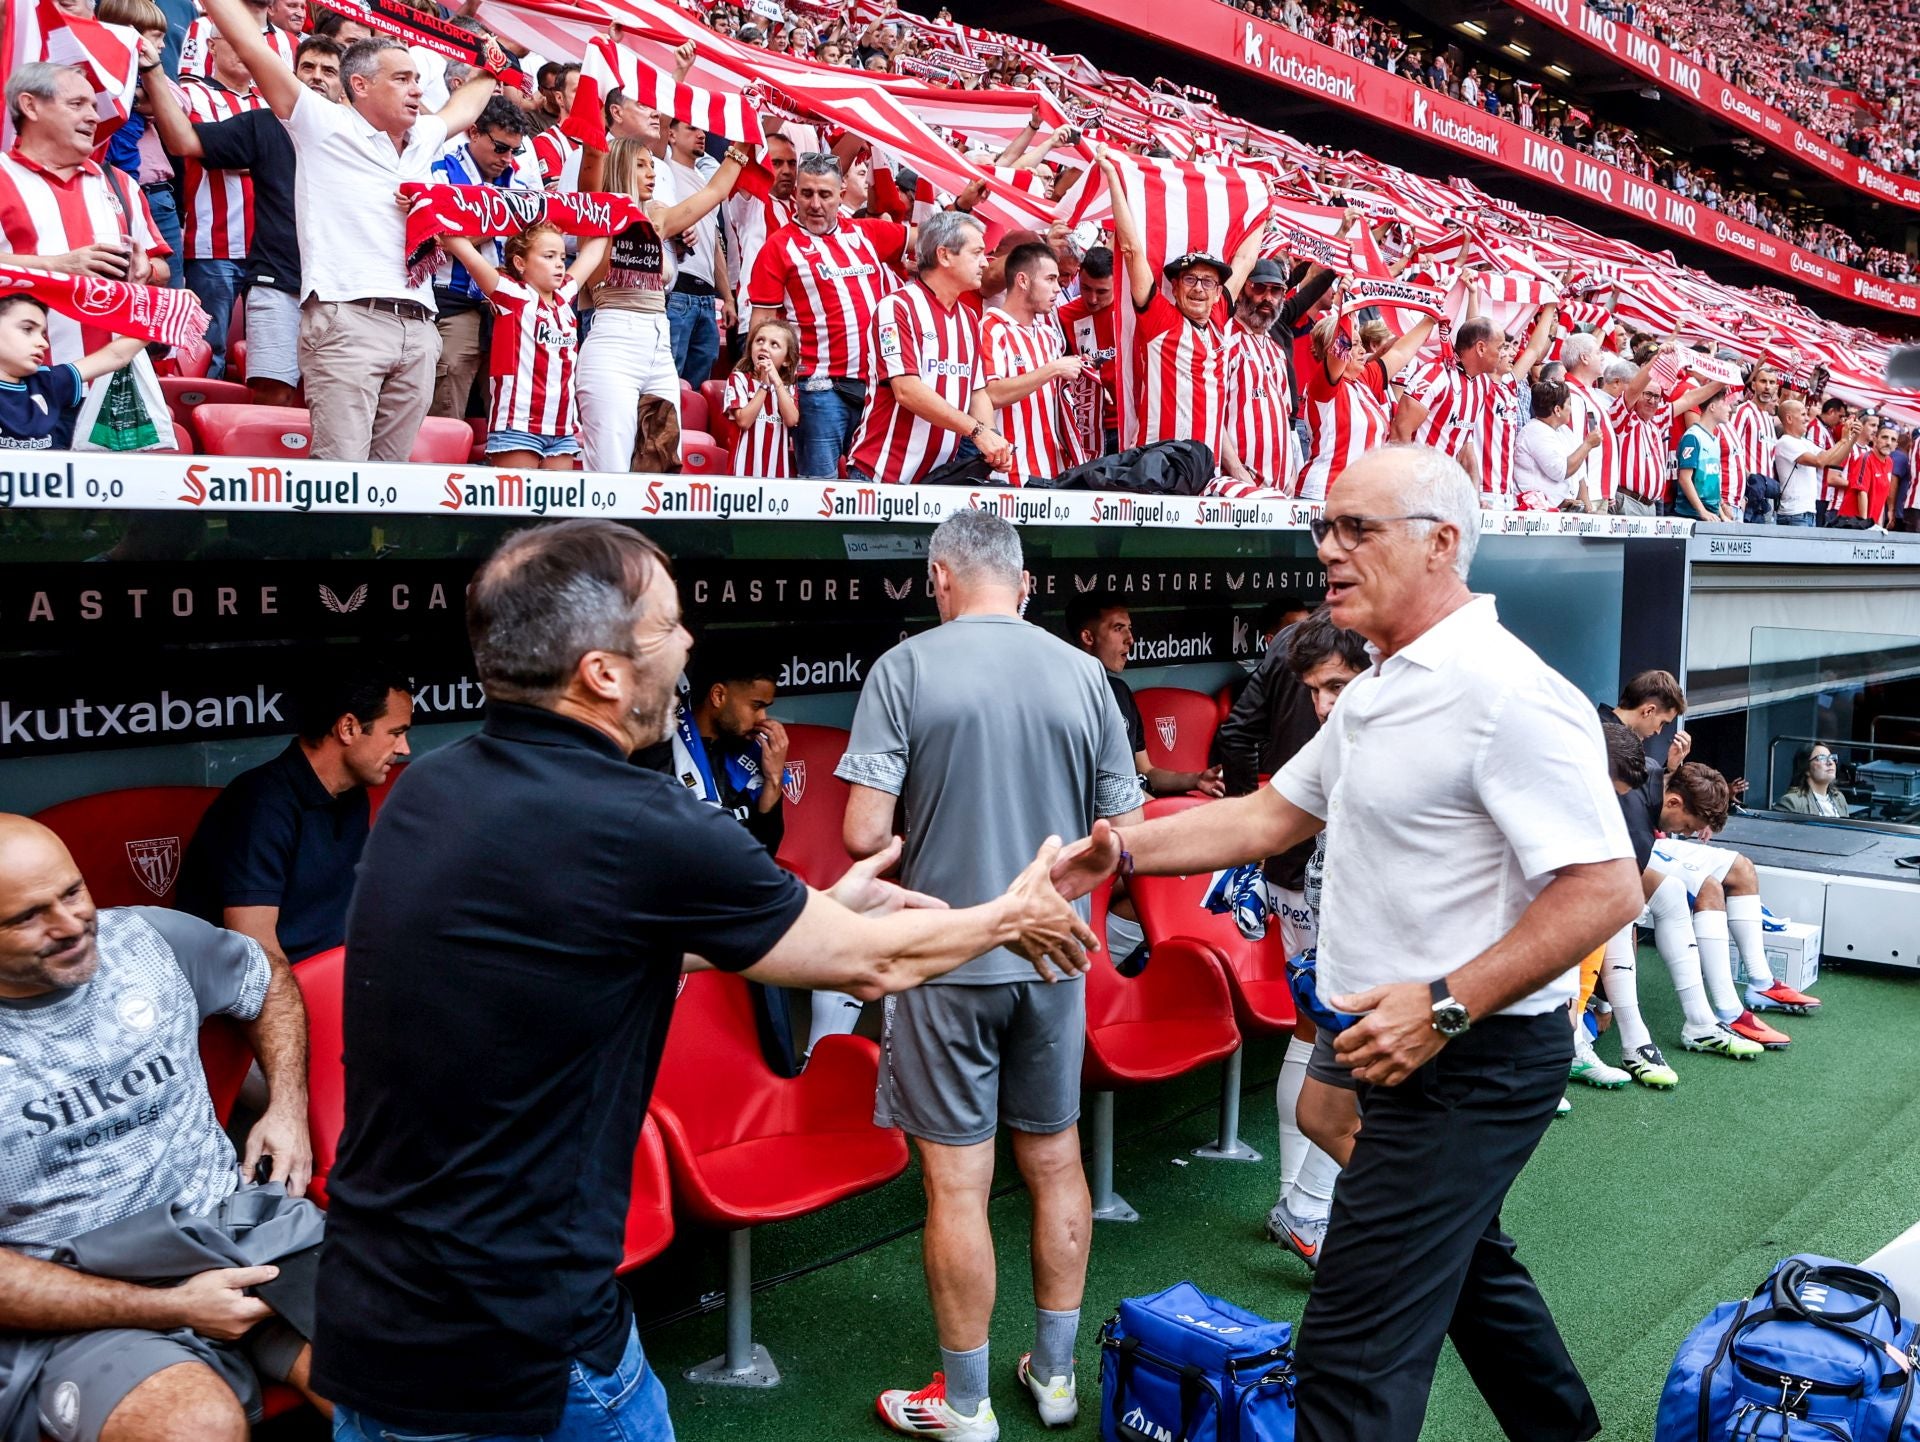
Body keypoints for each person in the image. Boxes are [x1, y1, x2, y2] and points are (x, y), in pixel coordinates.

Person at [312, 519, 1096, 1442]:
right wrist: (1011, 915)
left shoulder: (429, 792)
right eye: (669, 627)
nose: (687, 646)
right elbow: (877, 962)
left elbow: (585, 943)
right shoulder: (639, 821)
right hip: (528, 1357)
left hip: (369, 1330)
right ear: (603, 673)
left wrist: (818, 907)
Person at [1049, 444, 1645, 1442]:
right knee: (1466, 1271)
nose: (1327, 547)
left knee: (1348, 1361)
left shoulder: (1507, 691)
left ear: (1442, 543)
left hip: (1467, 1054)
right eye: (1324, 526)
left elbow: (1606, 886)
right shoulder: (1378, 688)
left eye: (1356, 527)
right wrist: (1109, 853)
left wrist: (1446, 1001)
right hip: (1392, 1039)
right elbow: (1264, 817)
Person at [837, 510, 1141, 1440]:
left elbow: (861, 837)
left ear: (939, 577)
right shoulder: (1085, 673)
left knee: (960, 1187)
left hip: (945, 957)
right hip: (1055, 957)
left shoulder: (906, 668)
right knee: (1056, 1162)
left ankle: (964, 1404)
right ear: (1026, 584)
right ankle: (1054, 1382)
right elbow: (1120, 828)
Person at [0, 814, 321, 1442]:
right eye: (26, 917)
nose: (69, 926)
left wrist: (287, 1104)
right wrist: (173, 1306)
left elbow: (268, 979)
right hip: (80, 1296)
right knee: (193, 1426)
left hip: (233, 1229)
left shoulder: (148, 940)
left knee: (410, 1374)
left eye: (72, 892)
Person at [195, 0, 498, 462]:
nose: (416, 90)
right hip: (348, 319)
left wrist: (491, 66)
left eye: (416, 79)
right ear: (359, 85)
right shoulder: (321, 123)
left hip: (419, 327)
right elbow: (252, 48)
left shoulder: (424, 137)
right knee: (341, 476)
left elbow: (467, 102)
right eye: (401, 79)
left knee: (392, 479)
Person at [138, 33, 344, 408]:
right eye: (307, 67)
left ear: (347, 85)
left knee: (335, 401)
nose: (316, 76)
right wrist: (152, 70)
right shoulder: (267, 124)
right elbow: (183, 141)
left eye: (329, 70)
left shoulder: (367, 135)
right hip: (277, 281)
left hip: (344, 290)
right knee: (273, 397)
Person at [178, 662, 413, 971]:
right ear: (348, 728)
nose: (405, 748)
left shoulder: (352, 792)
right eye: (395, 733)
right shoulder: (262, 803)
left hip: (333, 979)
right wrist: (306, 1015)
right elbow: (255, 948)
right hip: (268, 994)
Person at [1263, 610, 1369, 1272]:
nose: (1324, 705)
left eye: (1335, 687)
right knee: (1327, 1033)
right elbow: (1245, 744)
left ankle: (1299, 1205)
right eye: (1316, 690)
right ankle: (1303, 1206)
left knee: (1317, 1032)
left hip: (1303, 873)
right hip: (1306, 877)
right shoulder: (1340, 727)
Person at [576, 132, 746, 474]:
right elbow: (592, 159)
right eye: (641, 166)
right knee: (610, 468)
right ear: (619, 168)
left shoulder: (659, 220)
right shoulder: (597, 216)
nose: (652, 173)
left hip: (658, 346)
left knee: (663, 460)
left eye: (652, 165)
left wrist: (743, 144)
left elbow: (714, 192)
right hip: (613, 344)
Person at [1097, 149, 1260, 474]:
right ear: (1174, 287)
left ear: (1218, 292)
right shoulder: (1160, 318)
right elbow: (1131, 250)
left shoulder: (1218, 315)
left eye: (1207, 281)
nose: (1199, 288)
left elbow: (1245, 261)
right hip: (1160, 469)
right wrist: (1114, 178)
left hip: (1207, 471)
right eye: (1190, 279)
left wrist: (1262, 205)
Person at [748, 153, 909, 478]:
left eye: (824, 194)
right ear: (795, 193)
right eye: (807, 193)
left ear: (841, 194)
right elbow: (761, 329)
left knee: (873, 486)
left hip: (877, 388)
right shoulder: (778, 247)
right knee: (820, 492)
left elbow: (935, 244)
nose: (815, 204)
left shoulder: (866, 233)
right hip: (817, 391)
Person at [0, 64, 172, 366]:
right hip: (26, 388)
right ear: (30, 106)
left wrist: (147, 269)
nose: (94, 117)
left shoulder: (120, 182)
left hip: (116, 380)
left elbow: (161, 266)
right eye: (76, 104)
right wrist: (54, 266)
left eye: (94, 106)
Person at [846, 210, 1012, 486]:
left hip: (935, 482)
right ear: (944, 255)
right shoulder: (897, 307)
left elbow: (976, 390)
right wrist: (977, 431)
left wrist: (993, 440)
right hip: (880, 478)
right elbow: (907, 390)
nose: (985, 263)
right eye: (977, 253)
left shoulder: (968, 317)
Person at [440, 222, 607, 470]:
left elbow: (594, 250)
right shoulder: (512, 295)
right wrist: (431, 213)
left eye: (562, 257)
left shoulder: (564, 296)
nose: (560, 263)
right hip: (517, 427)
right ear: (520, 263)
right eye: (549, 256)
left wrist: (615, 209)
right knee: (515, 505)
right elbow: (465, 250)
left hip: (562, 429)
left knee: (556, 507)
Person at [427, 95, 537, 422]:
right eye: (500, 147)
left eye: (515, 151)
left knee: (507, 410)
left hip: (506, 310)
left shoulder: (517, 178)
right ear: (473, 132)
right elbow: (438, 238)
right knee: (447, 405)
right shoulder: (441, 170)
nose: (507, 158)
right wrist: (504, 219)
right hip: (455, 301)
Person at [174, 20, 268, 381]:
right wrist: (253, 158)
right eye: (234, 40)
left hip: (267, 250)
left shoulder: (269, 100)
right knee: (204, 350)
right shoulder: (191, 94)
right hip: (211, 245)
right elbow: (195, 147)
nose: (245, 49)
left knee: (268, 358)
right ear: (211, 48)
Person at [1066, 595, 1226, 800]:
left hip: (1134, 805)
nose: (1130, 639)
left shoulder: (1120, 691)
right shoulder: (1066, 696)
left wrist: (1196, 779)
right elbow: (1091, 784)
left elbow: (1146, 772)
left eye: (1129, 628)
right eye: (1118, 628)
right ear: (1088, 637)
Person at [1216, 256, 1336, 496]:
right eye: (1259, 288)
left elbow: (1283, 414)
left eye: (1276, 291)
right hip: (1237, 490)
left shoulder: (1276, 349)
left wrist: (1291, 471)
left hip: (1280, 489)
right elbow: (1212, 414)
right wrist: (1237, 471)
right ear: (1240, 291)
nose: (1267, 298)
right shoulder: (1224, 340)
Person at [981, 240, 1083, 486]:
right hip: (1011, 475)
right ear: (1023, 281)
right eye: (1049, 279)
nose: (1058, 288)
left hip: (1056, 470)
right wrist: (1053, 369)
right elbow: (990, 394)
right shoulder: (991, 329)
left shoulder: (1048, 334)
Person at [0, 297, 145, 450]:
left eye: (43, 333)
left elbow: (115, 356)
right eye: (27, 329)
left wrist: (164, 317)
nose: (43, 343)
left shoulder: (48, 381)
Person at [663, 119, 734, 387]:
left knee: (697, 393)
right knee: (668, 388)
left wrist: (727, 297)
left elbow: (714, 241)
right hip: (677, 292)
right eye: (691, 128)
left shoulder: (707, 182)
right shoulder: (664, 170)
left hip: (706, 298)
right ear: (670, 134)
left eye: (702, 128)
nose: (701, 134)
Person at [1055, 243, 1117, 455]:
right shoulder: (1063, 315)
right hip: (1086, 425)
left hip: (1128, 423)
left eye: (1102, 291)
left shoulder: (1133, 312)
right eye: (1086, 288)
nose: (1092, 298)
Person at [724, 316, 800, 478]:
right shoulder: (738, 379)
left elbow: (792, 420)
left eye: (774, 344)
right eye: (759, 341)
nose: (764, 347)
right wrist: (764, 385)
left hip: (777, 475)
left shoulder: (788, 388)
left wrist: (776, 382)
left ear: (787, 360)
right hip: (742, 472)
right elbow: (744, 421)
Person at [1514, 377, 1602, 510]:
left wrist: (1589, 513)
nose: (1571, 410)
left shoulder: (1564, 431)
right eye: (1569, 404)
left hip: (1563, 515)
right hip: (1536, 518)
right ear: (1557, 410)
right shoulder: (1534, 431)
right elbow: (1561, 471)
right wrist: (1588, 445)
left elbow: (1580, 476)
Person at [1772, 396, 1860, 527]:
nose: (1807, 419)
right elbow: (1819, 461)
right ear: (1789, 418)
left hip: (1807, 512)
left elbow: (1834, 461)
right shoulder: (1785, 442)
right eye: (1803, 415)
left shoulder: (1804, 442)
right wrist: (1842, 440)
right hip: (1794, 513)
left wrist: (1851, 439)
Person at [1674, 387, 1734, 522]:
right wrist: (1702, 511)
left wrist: (1721, 514)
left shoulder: (1713, 438)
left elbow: (1712, 482)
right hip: (1692, 515)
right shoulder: (1693, 436)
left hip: (1711, 516)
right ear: (1712, 407)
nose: (1730, 409)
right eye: (1726, 404)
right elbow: (1685, 479)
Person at [1836, 419, 1899, 526]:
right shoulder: (1866, 458)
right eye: (1884, 437)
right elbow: (1862, 492)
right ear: (1875, 439)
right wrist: (1864, 523)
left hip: (1869, 524)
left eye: (1893, 440)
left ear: (1896, 445)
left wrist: (1878, 525)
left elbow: (1881, 497)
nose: (1888, 442)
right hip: (1852, 523)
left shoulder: (1889, 462)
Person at [1777, 743, 1850, 816]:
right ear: (1806, 769)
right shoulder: (1792, 802)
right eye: (1822, 758)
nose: (1830, 762)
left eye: (1832, 757)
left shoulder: (1839, 798)